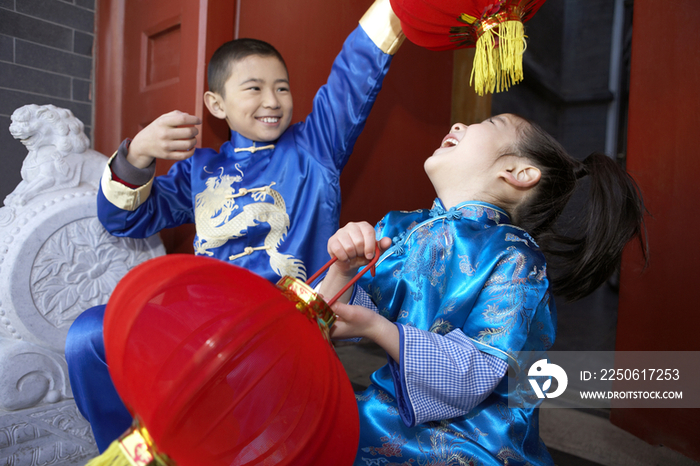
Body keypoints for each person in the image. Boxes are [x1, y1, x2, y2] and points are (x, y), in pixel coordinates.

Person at [65, 0, 405, 452]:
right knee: (89, 335)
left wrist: (399, 7)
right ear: (216, 104)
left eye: (282, 89)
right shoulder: (199, 170)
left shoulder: (313, 149)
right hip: (204, 316)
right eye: (254, 88)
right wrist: (139, 152)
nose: (272, 101)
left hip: (282, 323)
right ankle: (128, 452)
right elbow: (124, 219)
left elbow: (354, 72)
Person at [318, 114, 646, 465]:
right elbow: (333, 320)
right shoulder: (404, 229)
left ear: (518, 173)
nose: (458, 124)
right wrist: (342, 269)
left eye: (489, 122)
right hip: (384, 417)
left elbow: (475, 371)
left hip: (472, 442)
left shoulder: (515, 258)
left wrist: (377, 328)